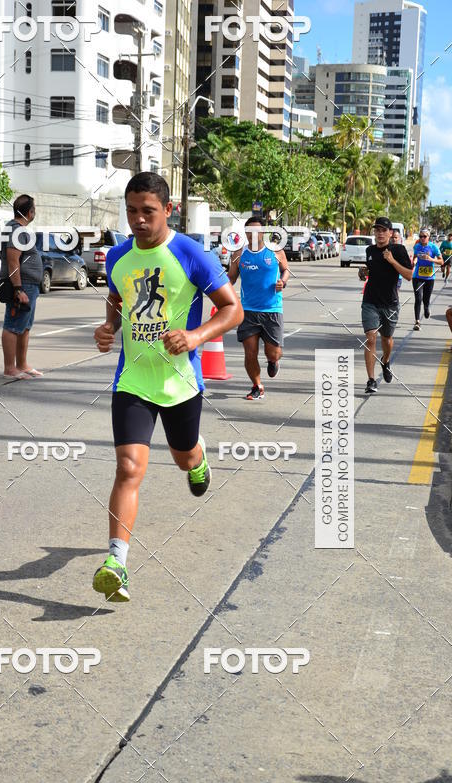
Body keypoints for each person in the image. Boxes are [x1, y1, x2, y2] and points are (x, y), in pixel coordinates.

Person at [91, 172, 242, 602]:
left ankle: (198, 460)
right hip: (133, 379)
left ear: (167, 210)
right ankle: (116, 563)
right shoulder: (119, 257)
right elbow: (117, 300)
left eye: (148, 212)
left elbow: (232, 309)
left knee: (183, 455)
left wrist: (195, 337)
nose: (138, 220)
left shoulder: (192, 254)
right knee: (128, 468)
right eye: (132, 211)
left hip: (180, 382)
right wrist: (108, 328)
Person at [227, 217, 289, 400]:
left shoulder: (275, 251)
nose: (253, 234)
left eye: (257, 231)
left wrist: (282, 282)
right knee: (250, 352)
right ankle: (257, 385)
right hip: (247, 311)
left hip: (272, 309)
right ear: (245, 233)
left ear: (263, 232)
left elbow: (286, 270)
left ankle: (273, 361)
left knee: (274, 352)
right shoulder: (238, 254)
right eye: (249, 231)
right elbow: (231, 278)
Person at [360, 216, 413, 394]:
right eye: (377, 230)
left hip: (390, 303)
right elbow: (368, 272)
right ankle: (371, 380)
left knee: (387, 340)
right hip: (370, 301)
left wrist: (392, 261)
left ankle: (386, 360)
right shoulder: (370, 250)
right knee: (370, 338)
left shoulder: (398, 250)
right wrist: (363, 272)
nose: (380, 233)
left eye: (384, 230)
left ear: (390, 233)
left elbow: (408, 275)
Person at [0, 194, 44, 378]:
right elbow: (13, 261)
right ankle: (10, 368)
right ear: (30, 212)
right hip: (22, 285)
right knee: (13, 325)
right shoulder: (17, 230)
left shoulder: (17, 229)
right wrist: (18, 289)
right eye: (34, 209)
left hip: (29, 285)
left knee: (24, 326)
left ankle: (22, 364)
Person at [411, 228, 443, 331]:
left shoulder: (433, 247)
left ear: (428, 237)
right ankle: (417, 322)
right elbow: (415, 257)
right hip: (417, 277)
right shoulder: (417, 246)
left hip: (429, 277)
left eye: (424, 236)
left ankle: (426, 308)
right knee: (418, 298)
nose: (422, 238)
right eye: (420, 236)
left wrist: (431, 259)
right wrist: (414, 261)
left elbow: (441, 261)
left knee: (426, 299)